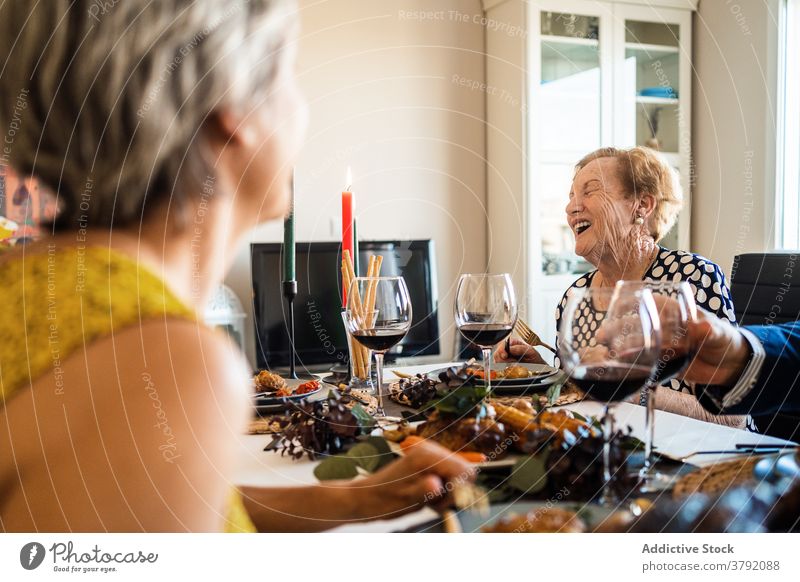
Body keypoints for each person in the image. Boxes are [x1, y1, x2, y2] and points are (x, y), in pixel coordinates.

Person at [0, 0, 473, 532]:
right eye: (289, 74)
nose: (302, 106)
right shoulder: (165, 365)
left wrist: (356, 498)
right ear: (235, 111)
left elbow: (159, 497)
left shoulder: (32, 286)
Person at [497, 146, 745, 428]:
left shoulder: (690, 279)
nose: (571, 207)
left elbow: (734, 416)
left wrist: (631, 390)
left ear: (642, 205)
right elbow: (581, 395)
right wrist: (539, 370)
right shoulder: (576, 297)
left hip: (697, 454)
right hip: (619, 445)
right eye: (571, 197)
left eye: (590, 191)